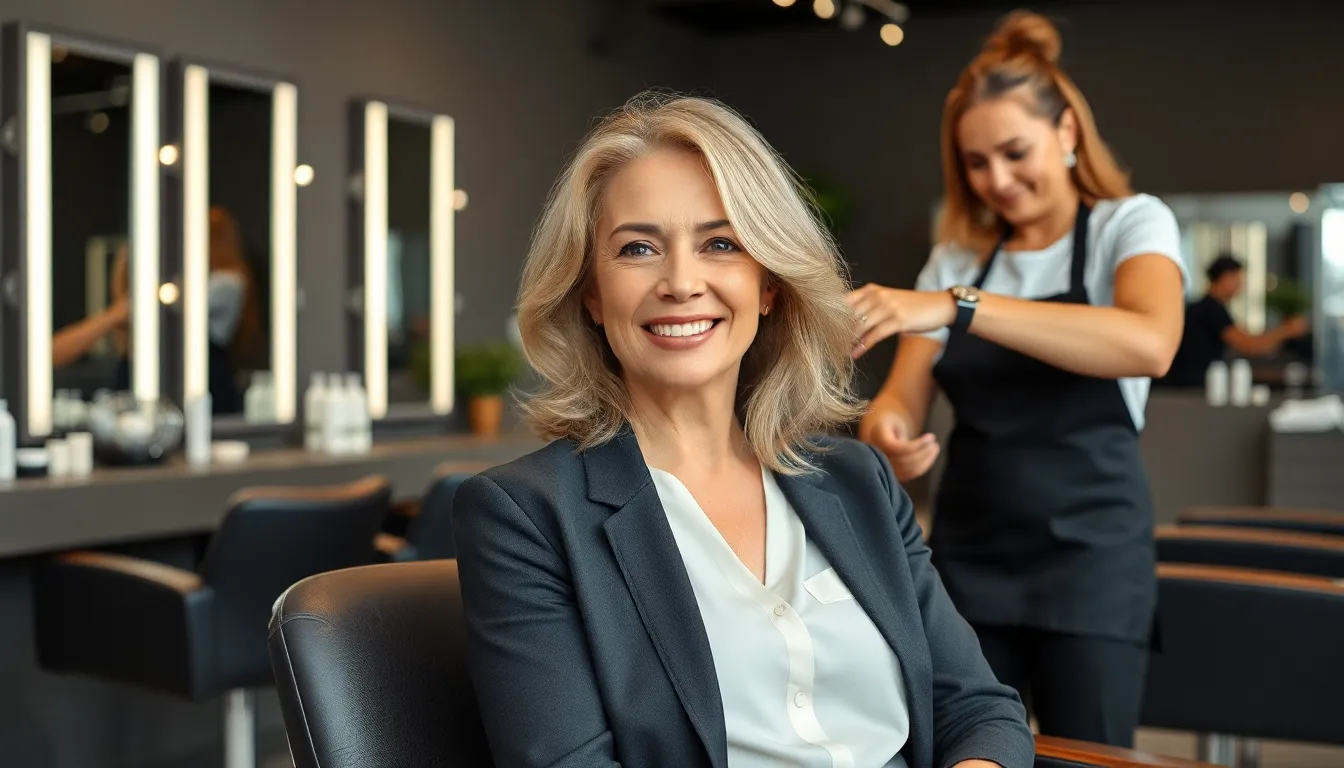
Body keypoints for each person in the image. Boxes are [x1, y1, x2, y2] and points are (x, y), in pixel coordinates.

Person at [453, 92, 1033, 768]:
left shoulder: (857, 480)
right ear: (590, 292)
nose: (681, 281)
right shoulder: (525, 516)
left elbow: (976, 706)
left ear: (768, 284)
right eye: (638, 248)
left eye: (720, 244)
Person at [850, 12, 1186, 748]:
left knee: (1088, 757)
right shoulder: (956, 260)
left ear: (1066, 133)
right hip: (969, 559)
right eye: (976, 163)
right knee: (965, 750)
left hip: (1093, 563)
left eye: (1014, 151)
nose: (997, 179)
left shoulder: (1128, 227)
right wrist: (889, 436)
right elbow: (900, 401)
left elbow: (1149, 342)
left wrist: (958, 308)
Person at [1159, 254, 1310, 387]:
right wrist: (1287, 330)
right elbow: (1248, 345)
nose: (1241, 285)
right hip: (1188, 386)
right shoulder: (1211, 309)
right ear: (1225, 278)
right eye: (1238, 279)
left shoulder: (1208, 307)